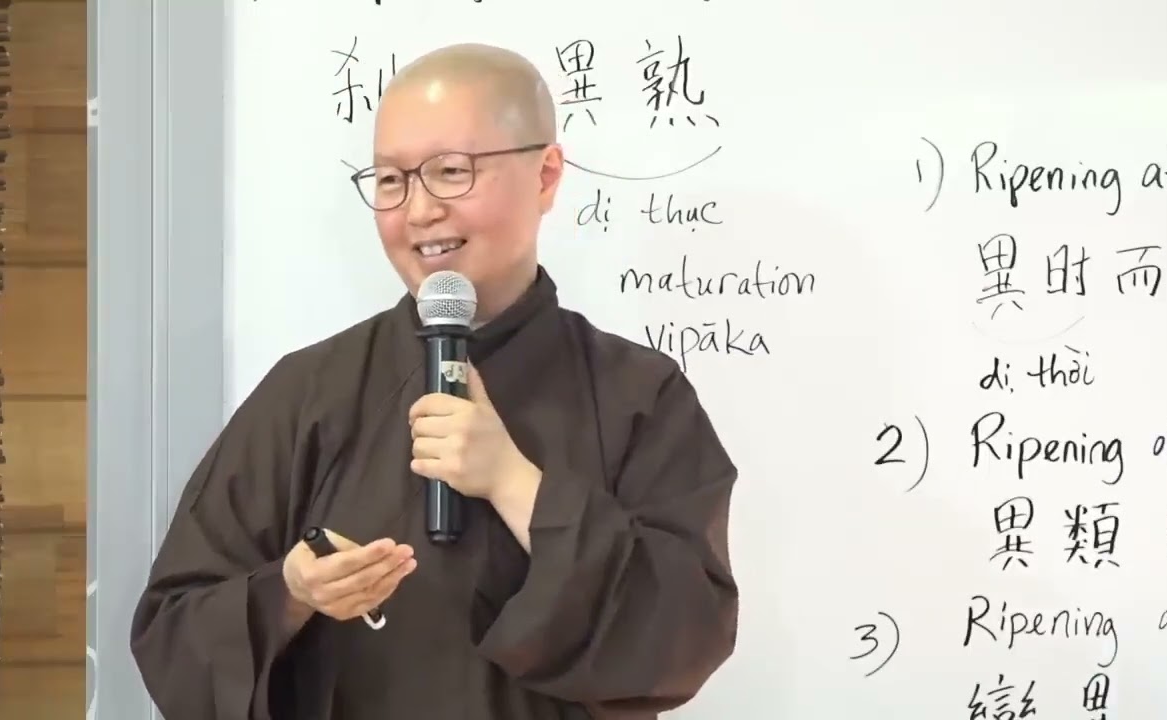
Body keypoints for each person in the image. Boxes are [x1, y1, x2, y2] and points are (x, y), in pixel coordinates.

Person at [130, 42, 739, 719]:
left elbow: (688, 634)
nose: (418, 211)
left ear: (545, 175)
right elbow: (173, 629)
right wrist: (290, 594)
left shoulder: (639, 395)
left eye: (451, 172)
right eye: (392, 181)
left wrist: (514, 483)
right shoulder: (309, 391)